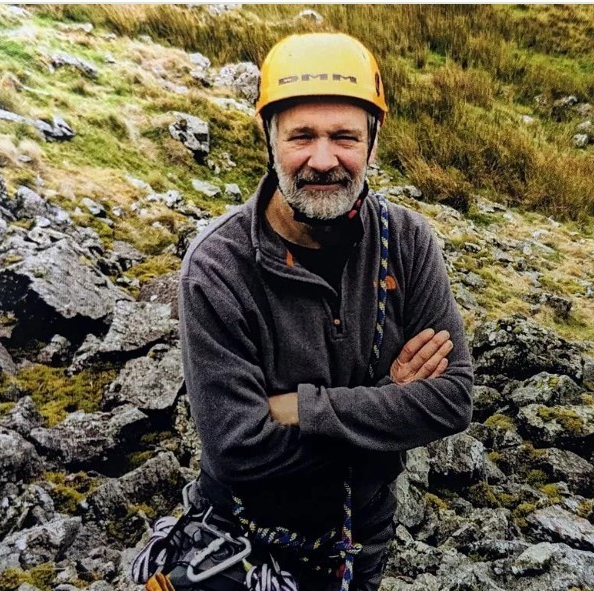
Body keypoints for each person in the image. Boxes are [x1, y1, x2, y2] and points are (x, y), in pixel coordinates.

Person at [178, 32, 473, 590]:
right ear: (269, 141)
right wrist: (391, 400)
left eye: (344, 137)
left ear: (372, 143)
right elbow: (237, 449)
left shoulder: (407, 242)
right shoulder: (217, 267)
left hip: (364, 537)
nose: (322, 159)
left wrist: (301, 409)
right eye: (301, 137)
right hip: (243, 544)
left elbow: (453, 399)